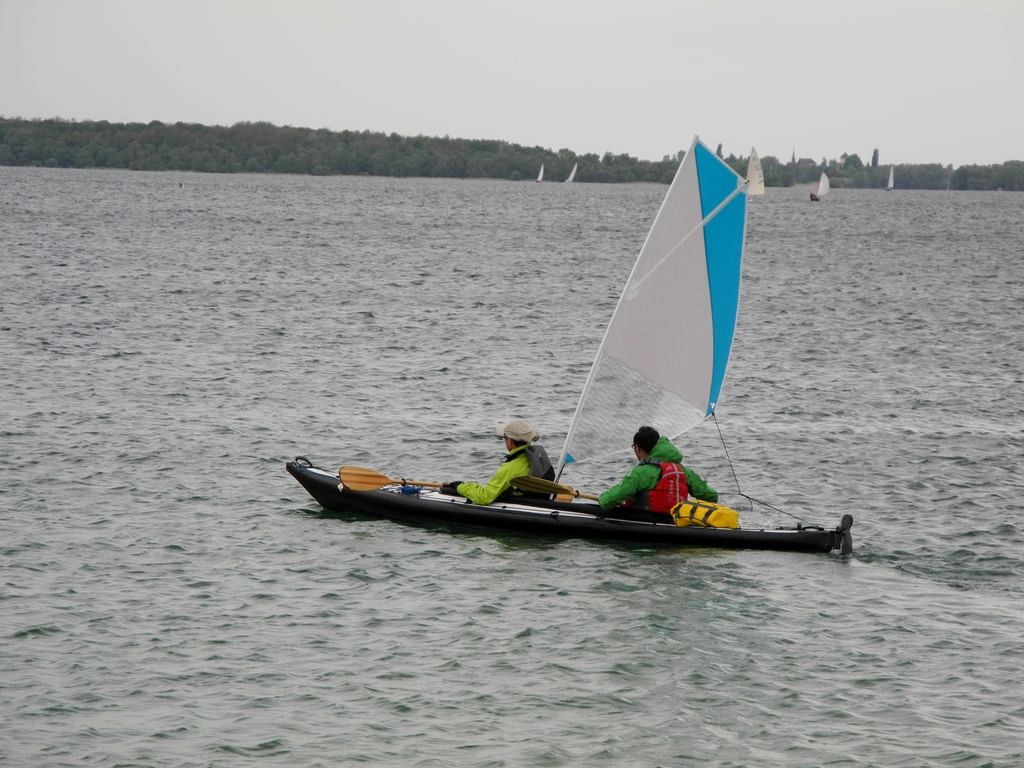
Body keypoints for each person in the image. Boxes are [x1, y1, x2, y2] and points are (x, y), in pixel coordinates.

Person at [598, 426, 718, 516]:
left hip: (647, 523)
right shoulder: (683, 470)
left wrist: (603, 498)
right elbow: (711, 496)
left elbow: (609, 501)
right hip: (676, 524)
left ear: (638, 448)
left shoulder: (640, 472)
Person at [442, 418, 555, 505]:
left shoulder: (510, 468)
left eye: (504, 439)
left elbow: (484, 497)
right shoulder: (536, 458)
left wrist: (461, 486)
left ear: (510, 441)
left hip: (521, 502)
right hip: (535, 498)